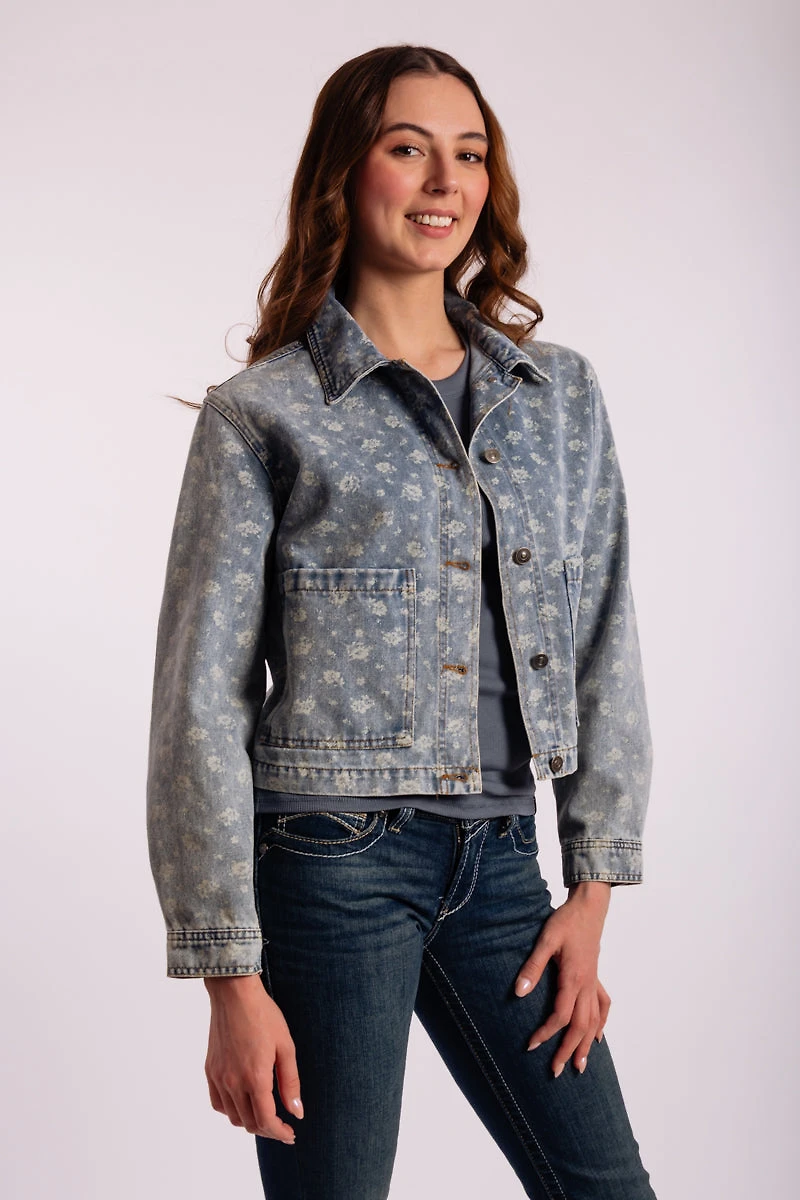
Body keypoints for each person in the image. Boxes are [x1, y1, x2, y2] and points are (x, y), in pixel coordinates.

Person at [146, 43, 656, 1200]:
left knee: (605, 1185)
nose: (443, 182)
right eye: (407, 148)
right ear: (344, 171)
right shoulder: (262, 414)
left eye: (467, 155)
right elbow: (199, 702)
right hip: (327, 869)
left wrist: (591, 889)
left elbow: (602, 635)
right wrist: (229, 976)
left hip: (503, 869)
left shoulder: (555, 396)